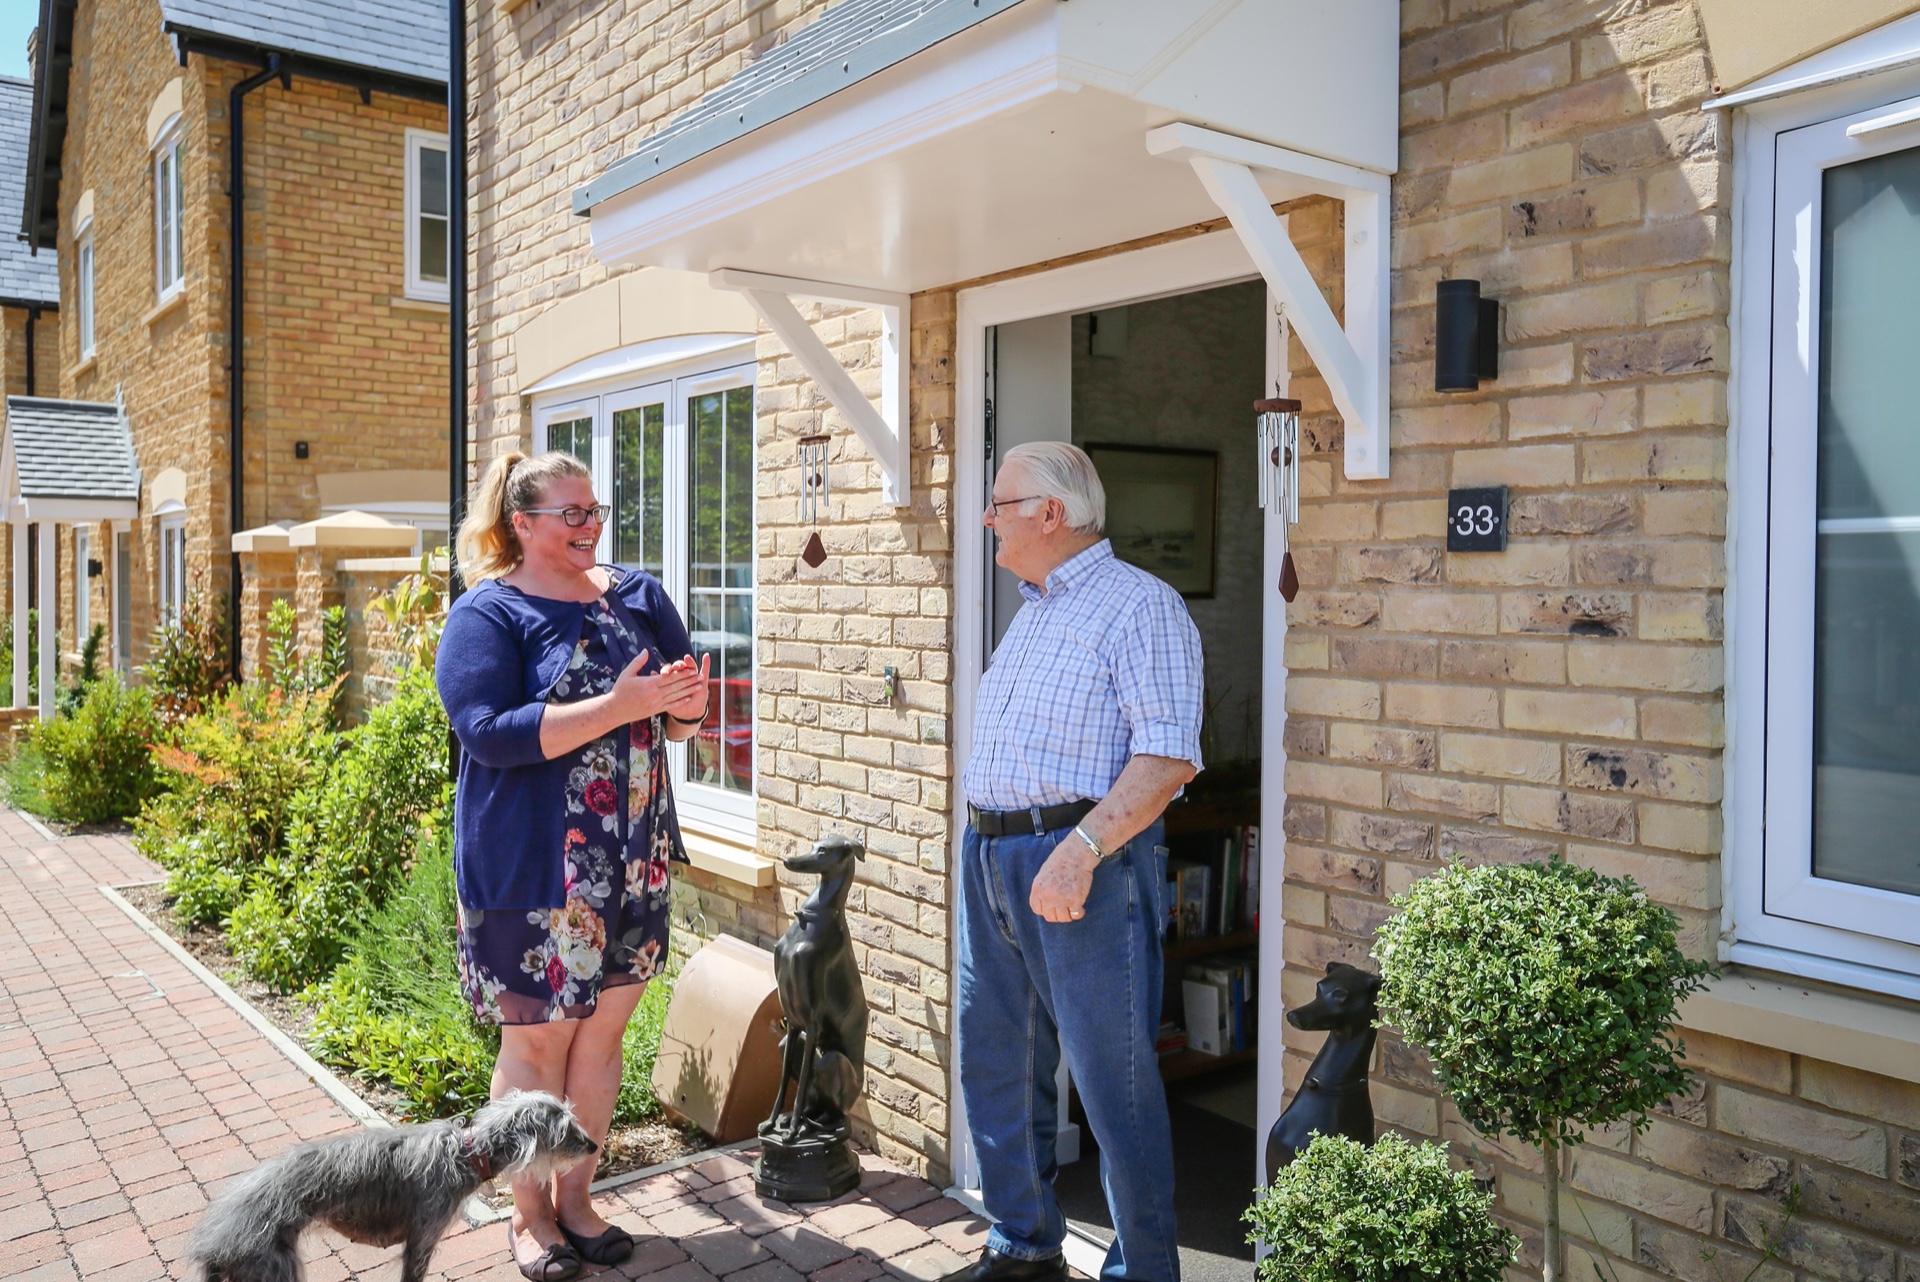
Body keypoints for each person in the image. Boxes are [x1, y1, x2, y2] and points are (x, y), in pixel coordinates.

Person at [436, 451, 711, 1282]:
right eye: (572, 514)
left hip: (633, 855)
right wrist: (619, 707)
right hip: (535, 864)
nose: (591, 526)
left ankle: (579, 1202)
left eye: (595, 510)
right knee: (538, 1049)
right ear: (522, 523)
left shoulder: (638, 595)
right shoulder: (491, 612)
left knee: (602, 1038)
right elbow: (486, 730)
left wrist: (686, 706)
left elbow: (680, 721)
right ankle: (529, 1219)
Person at [944, 441, 1204, 1282]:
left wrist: (1081, 850)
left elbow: (1167, 758)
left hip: (1081, 863)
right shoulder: (1036, 609)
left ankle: (1145, 1270)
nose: (987, 517)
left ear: (1049, 515)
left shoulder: (1140, 606)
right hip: (992, 857)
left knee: (1112, 1085)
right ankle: (1024, 1245)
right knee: (998, 1065)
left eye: (999, 502)